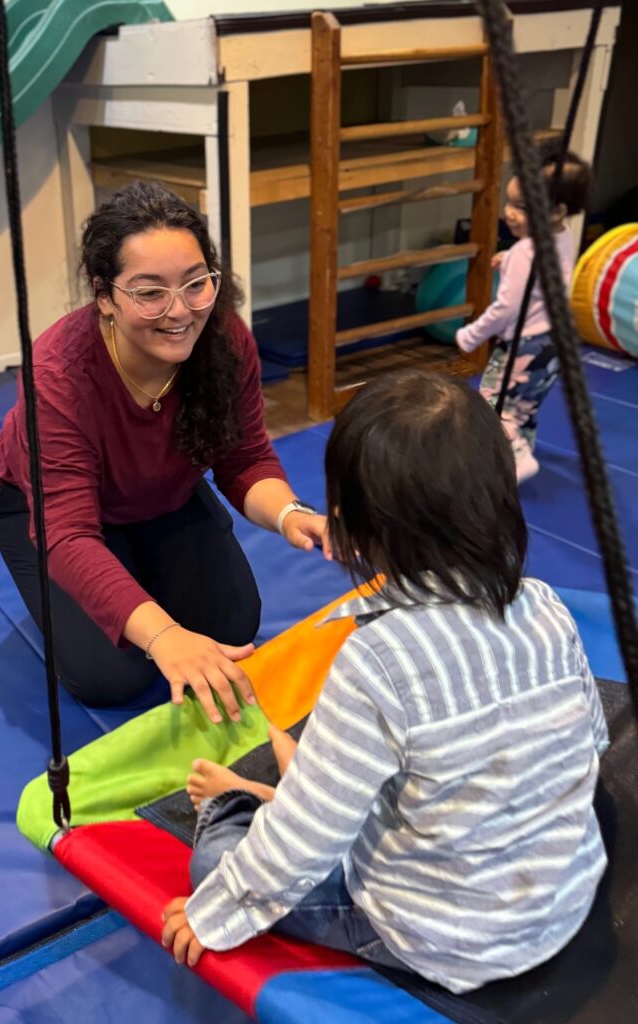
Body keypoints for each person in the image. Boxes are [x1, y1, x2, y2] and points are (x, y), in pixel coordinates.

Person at [161, 369, 608, 994]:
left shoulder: (379, 660)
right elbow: (590, 746)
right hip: (563, 900)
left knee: (218, 862)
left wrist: (213, 914)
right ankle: (310, 783)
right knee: (401, 759)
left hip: (451, 938)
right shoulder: (543, 604)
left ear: (354, 526)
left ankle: (252, 798)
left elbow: (301, 849)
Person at [0, 181, 330, 722]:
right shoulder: (59, 375)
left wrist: (292, 515)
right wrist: (164, 635)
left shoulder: (225, 340)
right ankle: (105, 584)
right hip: (48, 510)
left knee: (232, 626)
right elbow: (68, 534)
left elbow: (245, 460)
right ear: (105, 296)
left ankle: (134, 565)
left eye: (196, 284)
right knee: (112, 676)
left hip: (159, 491)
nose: (179, 311)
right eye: (149, 292)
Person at [455, 145, 593, 482]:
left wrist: (471, 334)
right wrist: (511, 260)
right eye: (510, 201)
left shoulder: (523, 253)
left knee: (490, 404)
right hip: (554, 343)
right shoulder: (563, 236)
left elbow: (506, 309)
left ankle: (514, 455)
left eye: (523, 207)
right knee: (523, 408)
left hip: (523, 346)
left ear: (557, 210)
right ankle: (512, 459)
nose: (509, 213)